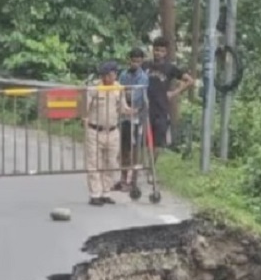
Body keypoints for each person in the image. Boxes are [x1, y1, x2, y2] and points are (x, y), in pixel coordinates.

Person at [83, 60, 133, 206]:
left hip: (112, 130)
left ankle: (106, 192)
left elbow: (123, 107)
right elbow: (85, 109)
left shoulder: (118, 88)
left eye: (115, 74)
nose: (114, 76)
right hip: (95, 130)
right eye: (112, 74)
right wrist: (85, 124)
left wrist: (131, 110)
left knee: (111, 163)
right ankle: (95, 194)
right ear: (104, 76)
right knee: (94, 163)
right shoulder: (94, 89)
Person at [144, 37, 194, 150]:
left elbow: (190, 80)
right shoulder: (145, 65)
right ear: (153, 50)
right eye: (156, 50)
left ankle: (151, 167)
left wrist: (174, 93)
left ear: (166, 52)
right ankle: (143, 166)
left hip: (161, 109)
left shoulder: (170, 68)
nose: (158, 53)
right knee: (143, 142)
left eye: (162, 51)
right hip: (145, 108)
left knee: (157, 143)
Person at [115, 48, 149, 191]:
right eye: (133, 60)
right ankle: (123, 179)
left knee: (135, 149)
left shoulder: (143, 77)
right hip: (124, 117)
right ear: (129, 60)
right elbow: (120, 93)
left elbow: (135, 96)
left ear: (142, 61)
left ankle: (133, 180)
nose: (135, 63)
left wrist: (127, 94)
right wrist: (126, 94)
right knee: (124, 149)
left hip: (137, 117)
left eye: (138, 61)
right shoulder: (123, 74)